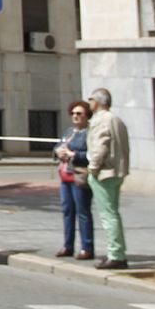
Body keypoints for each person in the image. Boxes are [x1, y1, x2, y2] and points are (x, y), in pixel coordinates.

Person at [85, 87, 130, 270]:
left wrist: (92, 168)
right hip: (116, 171)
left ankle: (116, 254)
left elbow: (100, 146)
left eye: (91, 99)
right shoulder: (116, 120)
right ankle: (117, 252)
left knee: (108, 214)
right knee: (112, 213)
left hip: (105, 173)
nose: (89, 103)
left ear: (97, 101)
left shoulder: (101, 120)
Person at [54, 99, 95, 260]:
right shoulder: (69, 132)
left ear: (86, 115)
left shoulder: (89, 133)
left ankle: (87, 247)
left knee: (83, 212)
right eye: (73, 113)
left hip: (80, 176)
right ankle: (67, 245)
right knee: (67, 211)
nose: (75, 116)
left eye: (79, 113)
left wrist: (74, 155)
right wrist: (58, 151)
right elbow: (57, 146)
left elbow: (93, 154)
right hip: (65, 176)